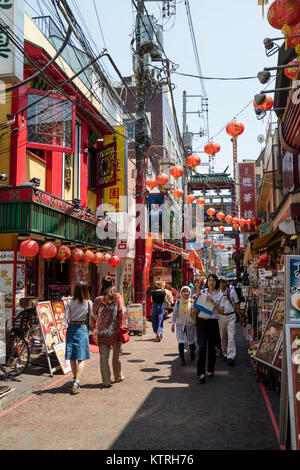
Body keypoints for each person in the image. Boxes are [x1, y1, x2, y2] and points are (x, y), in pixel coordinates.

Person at [90, 276, 127, 388]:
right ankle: (118, 376)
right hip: (115, 331)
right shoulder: (117, 297)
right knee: (117, 355)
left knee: (103, 358)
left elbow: (93, 317)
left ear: (102, 285)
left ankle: (106, 381)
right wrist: (121, 325)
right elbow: (123, 312)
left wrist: (94, 328)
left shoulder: (98, 300)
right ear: (112, 284)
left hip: (102, 332)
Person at [62, 283, 92, 394]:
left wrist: (61, 328)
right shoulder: (88, 302)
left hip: (71, 328)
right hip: (82, 328)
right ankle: (77, 382)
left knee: (72, 356)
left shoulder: (70, 302)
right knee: (81, 357)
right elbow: (92, 317)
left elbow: (65, 318)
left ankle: (75, 378)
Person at [195, 274, 225, 384]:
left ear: (216, 282)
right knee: (202, 346)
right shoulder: (203, 292)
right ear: (207, 282)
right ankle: (201, 372)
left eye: (213, 280)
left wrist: (213, 302)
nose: (211, 282)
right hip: (201, 322)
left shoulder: (220, 295)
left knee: (211, 348)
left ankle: (210, 369)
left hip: (213, 322)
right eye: (209, 280)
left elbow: (222, 311)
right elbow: (197, 307)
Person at [218, 276, 241, 366]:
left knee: (231, 337)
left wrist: (240, 316)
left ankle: (231, 356)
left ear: (226, 283)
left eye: (223, 282)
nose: (222, 283)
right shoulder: (217, 293)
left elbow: (237, 303)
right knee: (223, 337)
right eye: (220, 282)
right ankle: (225, 353)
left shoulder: (231, 291)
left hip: (231, 316)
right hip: (221, 317)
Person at [171, 286, 197, 365]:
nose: (185, 293)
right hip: (180, 324)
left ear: (189, 292)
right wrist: (172, 324)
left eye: (187, 291)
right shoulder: (178, 303)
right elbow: (175, 314)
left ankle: (192, 351)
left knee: (191, 341)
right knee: (181, 341)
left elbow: (196, 312)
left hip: (190, 324)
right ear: (181, 293)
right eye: (183, 291)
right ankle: (182, 358)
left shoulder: (192, 302)